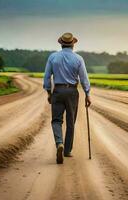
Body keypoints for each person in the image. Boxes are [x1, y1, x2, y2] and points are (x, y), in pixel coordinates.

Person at [43, 32, 91, 164]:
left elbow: (47, 76)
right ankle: (67, 150)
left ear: (61, 44)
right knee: (71, 122)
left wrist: (49, 92)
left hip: (58, 91)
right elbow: (84, 79)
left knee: (56, 121)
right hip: (72, 92)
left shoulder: (53, 57)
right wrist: (87, 94)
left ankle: (59, 143)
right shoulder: (79, 59)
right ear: (73, 44)